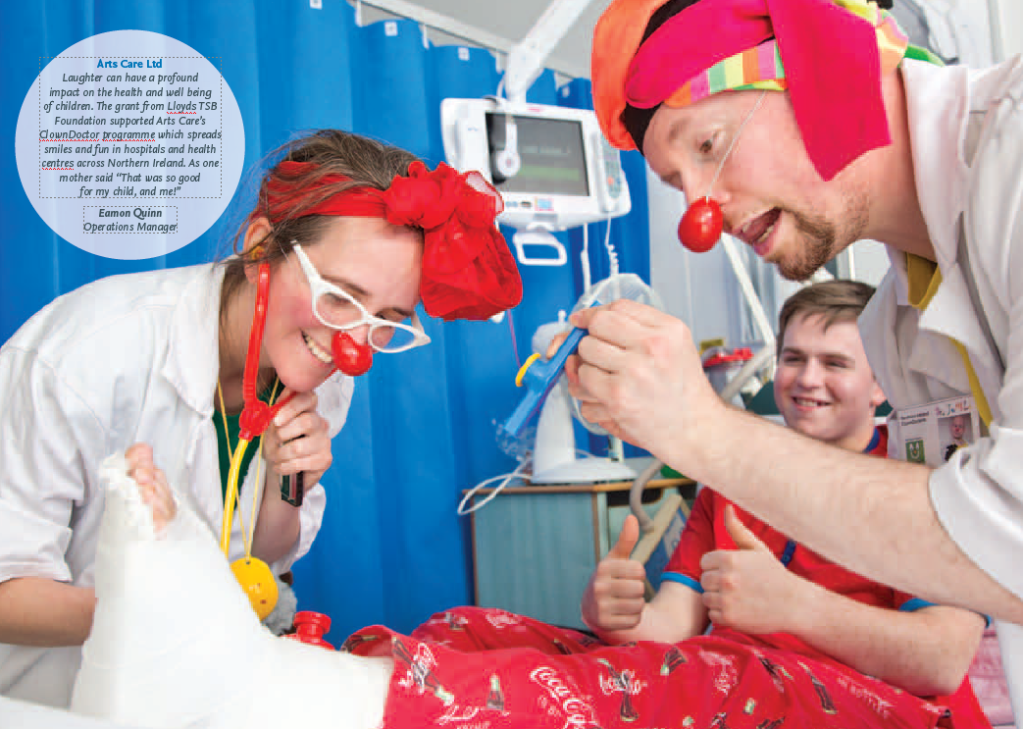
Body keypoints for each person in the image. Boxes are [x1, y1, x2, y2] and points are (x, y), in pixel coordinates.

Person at [82, 281, 990, 729]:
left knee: (717, 672)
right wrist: (618, 615)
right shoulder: (736, 481)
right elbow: (667, 636)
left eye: (835, 363)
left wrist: (797, 608)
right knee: (472, 626)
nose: (804, 379)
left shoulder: (917, 483)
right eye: (793, 357)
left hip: (876, 706)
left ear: (883, 382)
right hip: (721, 673)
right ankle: (325, 673)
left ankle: (293, 700)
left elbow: (944, 659)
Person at [0, 129, 522, 708]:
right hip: (48, 701)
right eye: (340, 296)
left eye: (387, 319)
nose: (354, 346)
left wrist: (283, 487)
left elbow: (264, 559)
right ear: (259, 247)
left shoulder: (323, 363)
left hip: (192, 693)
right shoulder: (84, 356)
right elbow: (7, 593)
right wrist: (174, 609)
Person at [562, 0, 1023, 640]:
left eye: (708, 145)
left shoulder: (1014, 149)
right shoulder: (895, 329)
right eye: (677, 185)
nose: (702, 215)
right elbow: (957, 556)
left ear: (818, 61)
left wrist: (701, 428)